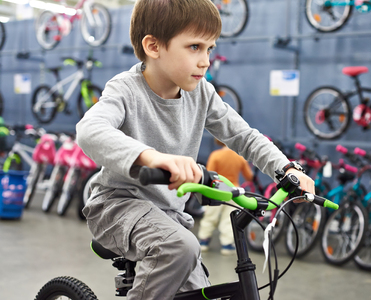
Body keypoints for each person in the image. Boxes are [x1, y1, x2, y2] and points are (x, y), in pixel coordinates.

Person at [76, 0, 315, 299]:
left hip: (169, 215)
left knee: (197, 290)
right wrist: (153, 157)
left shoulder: (202, 92)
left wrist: (287, 169)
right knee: (180, 248)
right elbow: (89, 130)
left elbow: (244, 135)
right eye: (194, 47)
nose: (206, 61)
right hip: (117, 205)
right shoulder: (125, 89)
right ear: (153, 45)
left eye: (210, 49)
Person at [197, 139, 254, 255]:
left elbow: (209, 174)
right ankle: (227, 245)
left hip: (217, 190)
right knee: (230, 219)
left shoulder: (216, 155)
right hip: (234, 192)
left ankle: (203, 241)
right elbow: (249, 176)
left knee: (210, 216)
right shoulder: (240, 157)